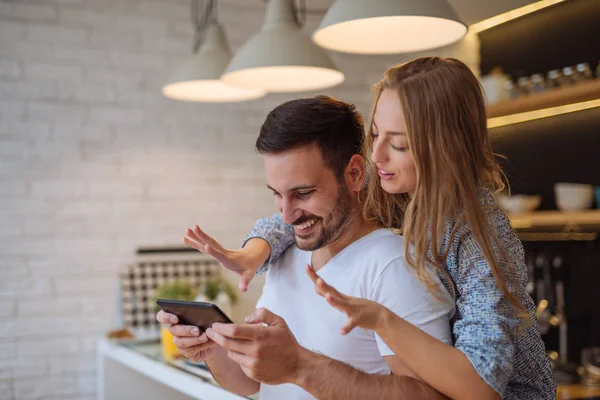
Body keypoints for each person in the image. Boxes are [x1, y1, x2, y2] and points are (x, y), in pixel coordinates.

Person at [179, 58, 556, 400]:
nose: (377, 156)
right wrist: (255, 250)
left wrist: (380, 319)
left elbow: (481, 388)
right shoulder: (391, 180)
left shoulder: (480, 235)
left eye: (400, 144)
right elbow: (303, 213)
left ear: (446, 148)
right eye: (376, 135)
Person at [158, 96, 455, 399]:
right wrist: (210, 348)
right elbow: (254, 384)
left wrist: (300, 366)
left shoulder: (393, 266)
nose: (287, 215)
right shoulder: (289, 251)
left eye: (303, 193)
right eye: (277, 194)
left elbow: (434, 396)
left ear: (354, 174)